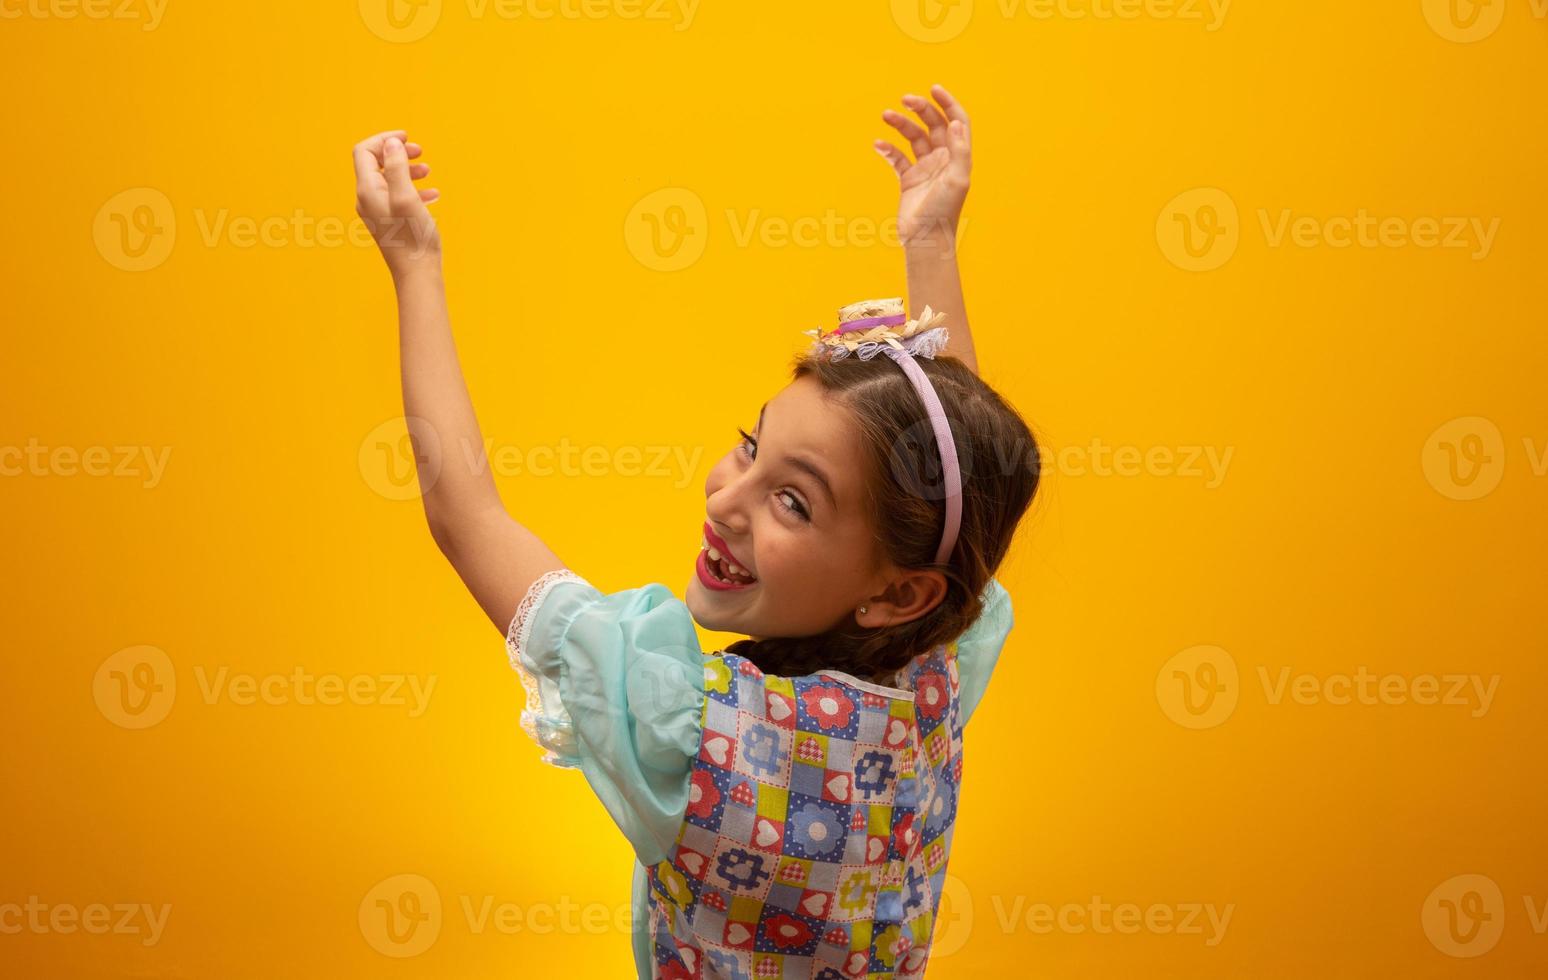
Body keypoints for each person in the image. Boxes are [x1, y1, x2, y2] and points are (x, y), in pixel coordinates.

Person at [352, 83, 1041, 979]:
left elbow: (467, 514)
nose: (726, 499)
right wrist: (931, 244)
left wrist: (413, 262)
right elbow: (950, 505)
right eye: (751, 447)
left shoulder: (686, 729)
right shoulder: (929, 673)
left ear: (898, 590)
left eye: (793, 500)